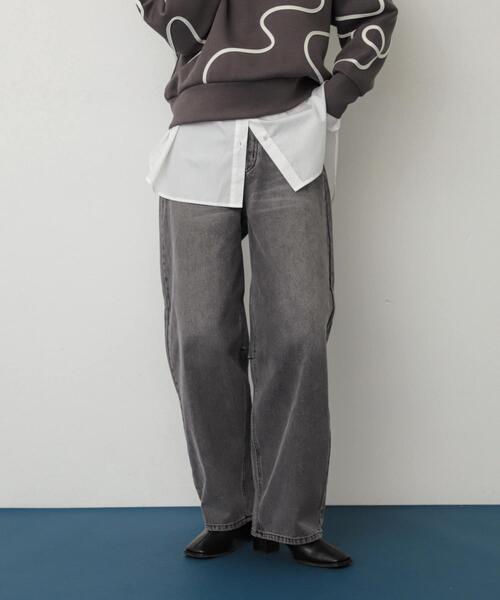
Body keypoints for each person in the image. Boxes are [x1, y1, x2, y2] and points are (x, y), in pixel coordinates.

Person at [135, 0, 398, 568]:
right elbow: (175, 25)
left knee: (299, 332)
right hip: (198, 142)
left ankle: (291, 521)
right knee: (198, 336)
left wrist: (335, 95)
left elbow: (373, 16)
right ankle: (227, 512)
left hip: (292, 135)